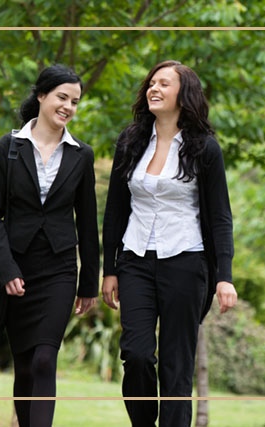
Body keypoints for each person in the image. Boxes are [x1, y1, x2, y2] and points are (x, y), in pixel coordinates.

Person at [102, 60, 238, 427]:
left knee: (178, 368)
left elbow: (221, 217)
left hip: (186, 262)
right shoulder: (130, 142)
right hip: (135, 260)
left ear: (185, 93)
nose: (154, 88)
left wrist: (224, 276)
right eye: (151, 82)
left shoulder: (204, 149)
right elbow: (115, 210)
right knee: (137, 354)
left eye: (164, 83)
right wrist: (109, 269)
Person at [0, 64, 99, 427]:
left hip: (60, 270)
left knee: (46, 359)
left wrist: (88, 283)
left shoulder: (82, 155)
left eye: (75, 101)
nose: (68, 107)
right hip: (17, 271)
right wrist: (6, 269)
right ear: (42, 95)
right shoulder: (7, 149)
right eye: (62, 97)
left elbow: (88, 220)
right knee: (26, 367)